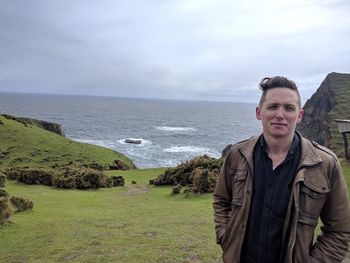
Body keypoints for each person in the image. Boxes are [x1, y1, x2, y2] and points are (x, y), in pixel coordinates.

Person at [213, 76, 350, 263]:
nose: (280, 114)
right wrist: (225, 236)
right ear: (259, 112)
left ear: (299, 115)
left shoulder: (326, 164)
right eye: (272, 106)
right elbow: (221, 200)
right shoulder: (237, 155)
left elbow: (339, 230)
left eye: (288, 108)